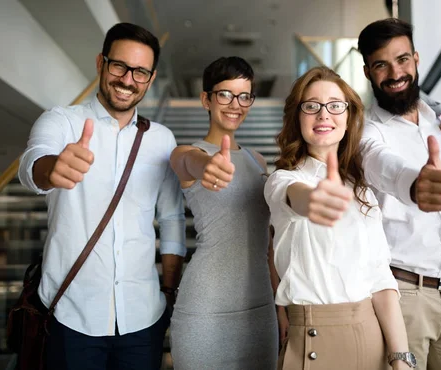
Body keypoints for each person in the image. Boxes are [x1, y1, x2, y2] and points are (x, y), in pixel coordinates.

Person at [18, 23, 186, 370]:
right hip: (71, 316)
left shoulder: (161, 139)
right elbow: (32, 163)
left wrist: (169, 291)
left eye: (140, 72)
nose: (127, 79)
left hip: (143, 317)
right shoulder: (62, 121)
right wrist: (52, 168)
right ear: (101, 63)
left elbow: (171, 217)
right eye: (119, 66)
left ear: (151, 79)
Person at [357, 18, 441, 370]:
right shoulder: (367, 132)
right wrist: (416, 185)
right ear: (368, 72)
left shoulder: (439, 120)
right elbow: (382, 166)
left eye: (402, 59)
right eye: (381, 64)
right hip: (402, 298)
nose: (395, 72)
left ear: (416, 59)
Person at [264, 66, 413, 370]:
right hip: (313, 340)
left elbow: (381, 280)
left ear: (348, 117)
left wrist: (402, 359)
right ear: (297, 116)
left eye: (335, 105)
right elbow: (294, 197)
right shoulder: (282, 180)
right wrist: (313, 200)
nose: (323, 115)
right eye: (311, 106)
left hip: (372, 338)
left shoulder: (362, 192)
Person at [169, 56, 279, 370]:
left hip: (260, 308)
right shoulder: (188, 153)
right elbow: (188, 163)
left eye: (244, 95)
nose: (236, 104)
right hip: (205, 308)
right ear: (206, 99)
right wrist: (208, 165)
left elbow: (268, 242)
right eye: (225, 94)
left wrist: (278, 304)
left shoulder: (258, 161)